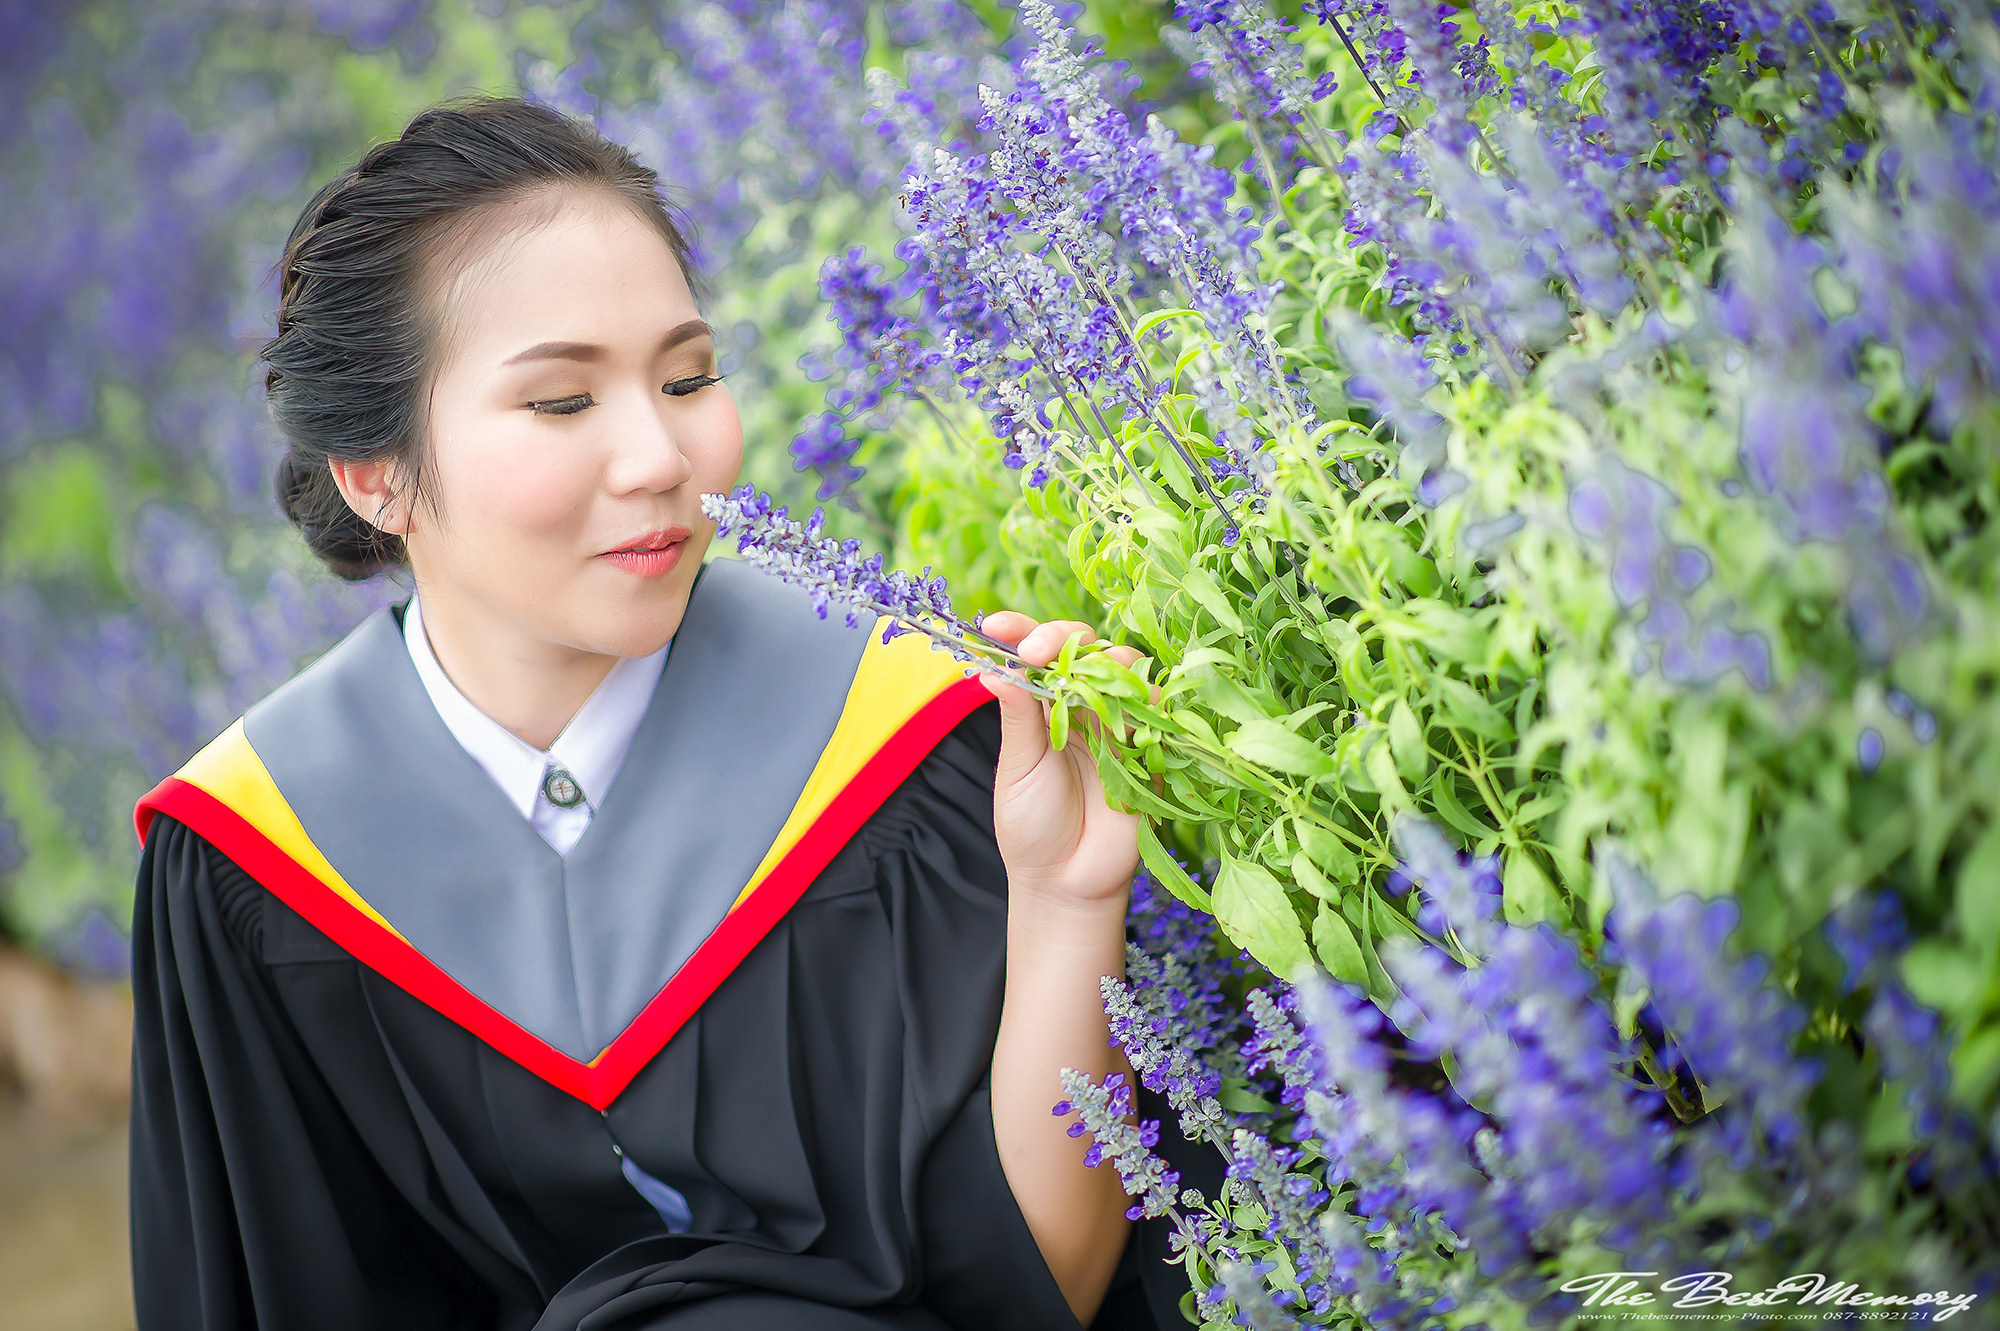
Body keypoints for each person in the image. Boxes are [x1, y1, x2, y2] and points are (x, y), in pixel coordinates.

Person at [126, 95, 1218, 1331]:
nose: (661, 455)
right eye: (559, 401)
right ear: (376, 474)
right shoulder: (252, 859)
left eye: (688, 376)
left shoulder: (911, 735)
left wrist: (1068, 902)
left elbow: (1039, 1287)